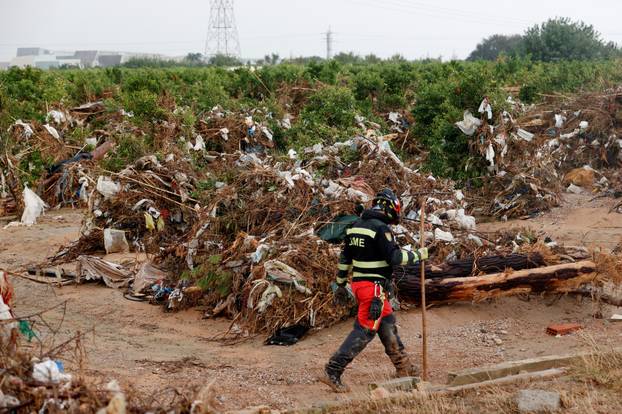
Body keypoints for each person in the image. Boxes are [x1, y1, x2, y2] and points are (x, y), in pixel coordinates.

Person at [319, 188, 428, 393]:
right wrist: (419, 254)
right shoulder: (381, 229)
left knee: (387, 322)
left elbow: (345, 261)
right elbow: (395, 258)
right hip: (373, 289)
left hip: (361, 285)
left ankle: (403, 367)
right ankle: (332, 370)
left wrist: (341, 283)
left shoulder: (355, 227)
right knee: (365, 330)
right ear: (390, 208)